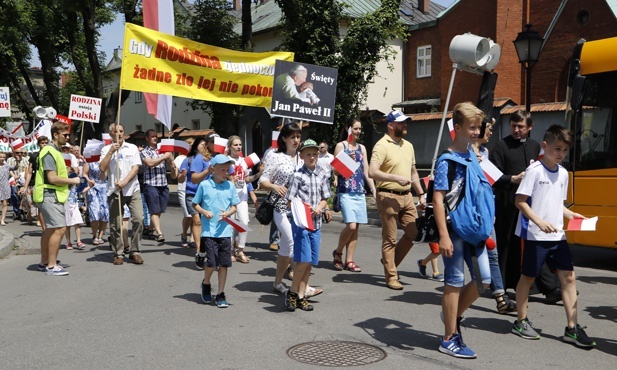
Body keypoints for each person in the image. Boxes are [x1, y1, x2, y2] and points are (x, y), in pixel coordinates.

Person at [511, 125, 596, 348]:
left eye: (565, 151)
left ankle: (572, 328)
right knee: (528, 278)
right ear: (545, 146)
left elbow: (557, 205)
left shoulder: (563, 174)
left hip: (557, 236)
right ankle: (521, 321)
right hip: (534, 235)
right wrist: (539, 221)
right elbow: (519, 201)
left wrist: (571, 214)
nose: (561, 154)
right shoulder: (534, 171)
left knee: (569, 278)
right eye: (557, 149)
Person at [434, 102, 492, 359]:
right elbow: (438, 200)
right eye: (472, 127)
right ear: (457, 128)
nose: (477, 132)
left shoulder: (473, 155)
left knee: (484, 280)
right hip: (455, 231)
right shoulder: (446, 161)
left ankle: (452, 314)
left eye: (478, 127)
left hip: (476, 230)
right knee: (454, 283)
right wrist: (444, 235)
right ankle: (449, 338)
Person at [490, 111, 562, 303]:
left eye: (521, 126)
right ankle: (501, 287)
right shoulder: (500, 145)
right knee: (507, 245)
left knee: (536, 244)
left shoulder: (534, 146)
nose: (516, 130)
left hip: (532, 205)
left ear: (529, 127)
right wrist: (512, 179)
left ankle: (550, 287)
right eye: (513, 125)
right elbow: (492, 176)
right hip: (507, 203)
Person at [259, 123, 323, 299]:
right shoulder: (276, 156)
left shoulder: (303, 157)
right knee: (295, 244)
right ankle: (305, 287)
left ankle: (278, 282)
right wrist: (274, 186)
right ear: (284, 139)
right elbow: (263, 181)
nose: (296, 140)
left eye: (298, 137)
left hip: (301, 211)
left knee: (286, 248)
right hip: (281, 207)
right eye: (292, 137)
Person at [369, 110, 426, 290]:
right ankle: (391, 276)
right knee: (390, 239)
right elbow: (372, 172)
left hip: (407, 196)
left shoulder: (408, 145)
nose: (405, 125)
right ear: (391, 125)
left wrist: (422, 194)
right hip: (388, 195)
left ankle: (389, 261)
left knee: (413, 233)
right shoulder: (381, 145)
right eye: (401, 123)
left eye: (405, 122)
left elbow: (414, 172)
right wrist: (395, 178)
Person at [471, 119, 516, 314]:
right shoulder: (464, 152)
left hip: (487, 210)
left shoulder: (486, 153)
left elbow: (489, 183)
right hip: (470, 213)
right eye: (488, 129)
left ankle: (500, 296)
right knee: (472, 255)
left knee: (493, 254)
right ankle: (462, 298)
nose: (490, 133)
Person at [284, 139, 331, 311]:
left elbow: (325, 198)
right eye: (308, 154)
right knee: (302, 260)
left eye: (314, 153)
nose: (312, 157)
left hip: (316, 224)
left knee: (310, 262)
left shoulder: (322, 175)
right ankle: (292, 292)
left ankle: (301, 295)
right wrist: (303, 209)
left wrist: (320, 208)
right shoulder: (297, 175)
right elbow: (289, 200)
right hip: (302, 224)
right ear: (301, 156)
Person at [33, 121, 81, 276]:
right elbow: (52, 178)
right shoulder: (49, 151)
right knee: (60, 229)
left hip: (51, 194)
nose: (67, 137)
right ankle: (52, 266)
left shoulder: (54, 151)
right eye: (65, 134)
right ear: (55, 134)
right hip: (49, 194)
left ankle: (44, 262)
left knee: (51, 229)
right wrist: (72, 180)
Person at [193, 154, 240, 308]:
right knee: (212, 263)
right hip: (209, 232)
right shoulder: (204, 185)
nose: (226, 173)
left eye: (228, 170)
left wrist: (228, 213)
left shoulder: (230, 186)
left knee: (224, 264)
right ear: (213, 169)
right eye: (222, 170)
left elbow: (234, 205)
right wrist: (204, 212)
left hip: (225, 231)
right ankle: (206, 282)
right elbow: (195, 204)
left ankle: (220, 293)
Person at [331, 118, 376, 272]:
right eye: (355, 128)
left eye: (359, 129)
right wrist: (344, 160)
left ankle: (349, 260)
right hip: (346, 191)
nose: (358, 132)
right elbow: (335, 171)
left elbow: (366, 171)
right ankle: (338, 252)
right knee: (350, 225)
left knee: (356, 228)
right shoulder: (341, 146)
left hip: (359, 193)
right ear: (349, 129)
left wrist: (373, 189)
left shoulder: (362, 148)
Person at [99, 123, 144, 265]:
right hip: (115, 191)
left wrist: (125, 181)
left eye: (122, 131)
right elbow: (102, 168)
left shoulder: (132, 148)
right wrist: (111, 152)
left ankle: (134, 251)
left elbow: (136, 168)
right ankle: (118, 252)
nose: (119, 134)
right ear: (111, 134)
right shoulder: (106, 149)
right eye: (116, 132)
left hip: (132, 189)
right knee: (116, 224)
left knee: (139, 219)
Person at [141, 129, 177, 243]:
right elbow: (150, 163)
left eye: (156, 136)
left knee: (160, 209)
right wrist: (163, 156)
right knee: (154, 209)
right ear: (147, 138)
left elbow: (173, 171)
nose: (155, 138)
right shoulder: (145, 152)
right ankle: (159, 233)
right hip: (151, 184)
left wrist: (172, 163)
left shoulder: (162, 150)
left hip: (163, 184)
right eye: (152, 137)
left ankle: (150, 229)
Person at [181, 136, 212, 269]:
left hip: (208, 196)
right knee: (197, 221)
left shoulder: (213, 158)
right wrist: (207, 171)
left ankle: (209, 251)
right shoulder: (194, 159)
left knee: (207, 223)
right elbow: (192, 179)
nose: (204, 146)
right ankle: (199, 250)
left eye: (206, 144)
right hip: (193, 194)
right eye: (202, 144)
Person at [227, 135, 256, 263]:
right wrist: (231, 180)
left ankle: (240, 250)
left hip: (242, 197)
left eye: (240, 145)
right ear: (230, 147)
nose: (238, 147)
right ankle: (230, 251)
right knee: (231, 226)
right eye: (236, 145)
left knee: (244, 223)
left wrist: (260, 174)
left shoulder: (244, 161)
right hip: (229, 198)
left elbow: (247, 179)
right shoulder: (226, 160)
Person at [22, 136, 49, 229]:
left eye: (46, 143)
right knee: (39, 206)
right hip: (36, 184)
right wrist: (25, 187)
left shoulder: (50, 155)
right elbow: (29, 172)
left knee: (46, 207)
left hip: (48, 184)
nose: (44, 145)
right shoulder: (34, 156)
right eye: (42, 143)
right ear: (38, 144)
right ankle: (43, 228)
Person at [83, 157, 109, 245]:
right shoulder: (89, 161)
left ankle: (101, 235)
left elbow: (108, 174)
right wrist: (89, 180)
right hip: (92, 187)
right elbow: (84, 173)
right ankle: (94, 235)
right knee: (94, 212)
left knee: (104, 213)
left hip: (104, 187)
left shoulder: (106, 159)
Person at [175, 138, 193, 248]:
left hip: (194, 189)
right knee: (188, 214)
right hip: (183, 189)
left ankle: (193, 237)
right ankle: (184, 234)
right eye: (190, 145)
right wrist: (182, 174)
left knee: (195, 216)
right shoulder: (180, 158)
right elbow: (176, 176)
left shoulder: (197, 158)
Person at [0, 152, 16, 226]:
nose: (2, 159)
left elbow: (15, 168)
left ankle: (2, 220)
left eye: (3, 157)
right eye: (1, 157)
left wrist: (17, 159)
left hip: (5, 186)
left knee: (5, 203)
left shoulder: (7, 166)